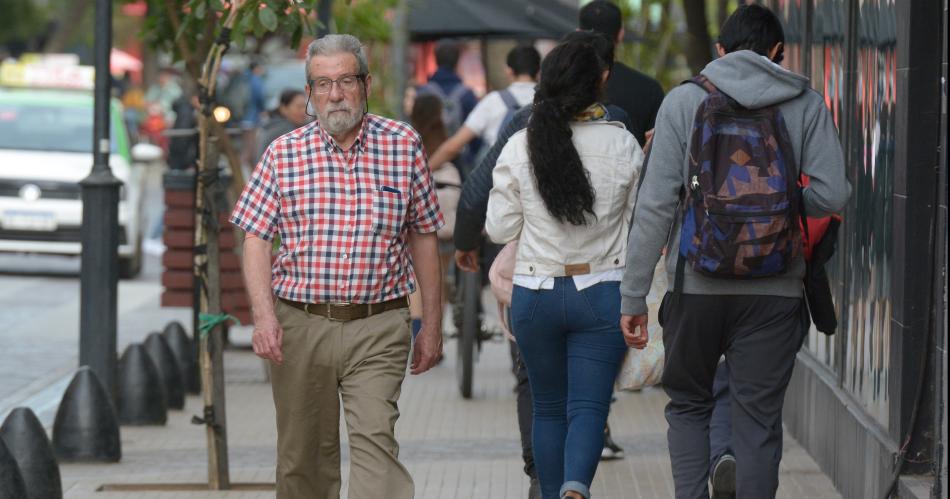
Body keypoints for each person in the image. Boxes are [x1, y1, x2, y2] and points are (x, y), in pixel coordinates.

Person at [619, 5, 851, 498]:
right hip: (776, 290)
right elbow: (833, 195)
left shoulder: (684, 102)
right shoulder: (804, 103)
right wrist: (781, 208)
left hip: (695, 285)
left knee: (687, 405)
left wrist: (633, 297)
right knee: (758, 423)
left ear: (719, 51)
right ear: (777, 53)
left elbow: (655, 205)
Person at [230, 34, 445, 499]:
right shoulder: (283, 154)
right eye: (323, 83)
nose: (334, 94)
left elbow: (424, 236)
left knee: (376, 448)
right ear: (308, 92)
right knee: (302, 460)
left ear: (365, 84)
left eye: (345, 80)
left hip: (379, 324)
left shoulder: (402, 145)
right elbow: (255, 238)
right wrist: (264, 317)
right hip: (300, 324)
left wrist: (431, 324)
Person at [453, 31, 634, 499]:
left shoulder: (520, 144)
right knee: (589, 407)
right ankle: (577, 486)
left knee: (548, 407)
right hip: (602, 292)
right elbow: (641, 225)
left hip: (535, 295)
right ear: (601, 82)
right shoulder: (624, 144)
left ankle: (553, 492)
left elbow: (498, 225)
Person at [426, 45, 541, 171]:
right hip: (540, 179)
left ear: (508, 70)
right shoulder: (548, 102)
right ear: (538, 72)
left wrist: (423, 173)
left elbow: (453, 146)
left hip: (500, 181)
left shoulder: (493, 101)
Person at [408, 93, 462, 336]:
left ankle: (418, 328)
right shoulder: (447, 138)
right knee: (438, 277)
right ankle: (435, 330)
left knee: (416, 276)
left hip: (415, 220)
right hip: (446, 220)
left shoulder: (407, 138)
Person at [579, 0, 665, 147]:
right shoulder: (650, 89)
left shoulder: (563, 83)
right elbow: (654, 145)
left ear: (578, 33)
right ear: (621, 34)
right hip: (631, 167)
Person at [417, 40, 480, 166]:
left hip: (428, 159)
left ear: (436, 59)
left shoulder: (423, 92)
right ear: (457, 61)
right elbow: (475, 137)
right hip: (459, 161)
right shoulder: (467, 94)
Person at [256, 88, 310, 158]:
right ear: (284, 108)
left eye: (305, 106)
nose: (304, 111)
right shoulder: (282, 130)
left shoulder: (271, 124)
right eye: (299, 107)